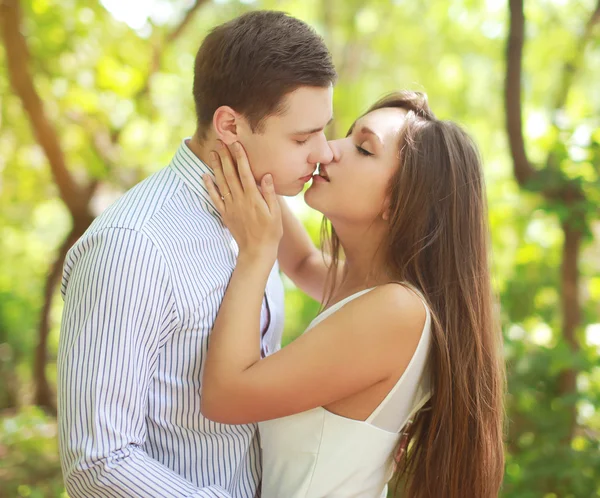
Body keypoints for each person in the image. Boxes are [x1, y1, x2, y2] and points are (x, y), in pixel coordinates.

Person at [57, 10, 336, 498]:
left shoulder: (261, 212)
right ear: (230, 124)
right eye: (301, 137)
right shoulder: (133, 246)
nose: (324, 152)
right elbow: (97, 461)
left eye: (323, 130)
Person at [201, 91, 506, 498]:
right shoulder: (367, 287)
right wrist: (251, 161)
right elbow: (304, 263)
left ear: (400, 202)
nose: (327, 150)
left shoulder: (395, 311)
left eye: (363, 148)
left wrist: (256, 255)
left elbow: (225, 397)